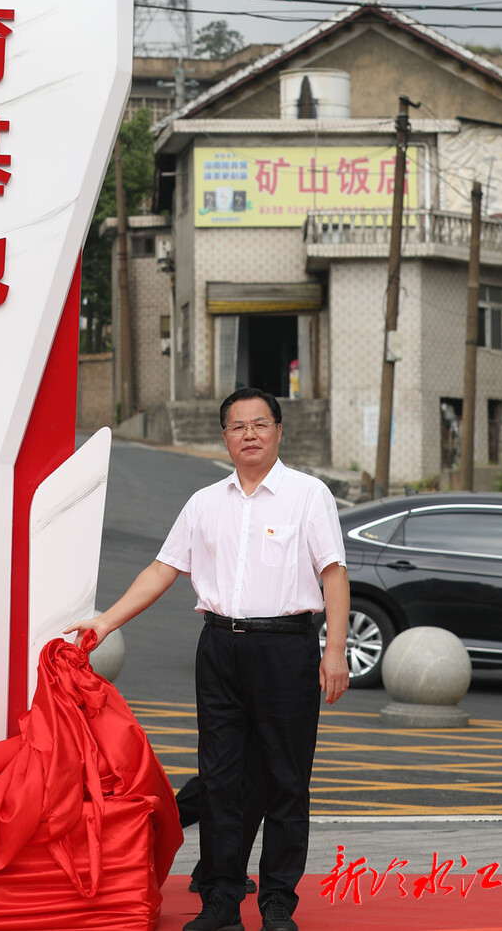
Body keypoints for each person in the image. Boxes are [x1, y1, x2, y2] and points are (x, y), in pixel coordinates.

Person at [68, 389, 349, 931]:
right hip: (219, 648)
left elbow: (333, 574)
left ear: (278, 431)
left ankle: (277, 904)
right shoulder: (204, 503)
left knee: (286, 780)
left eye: (260, 424)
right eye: (237, 426)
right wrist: (105, 622)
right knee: (220, 779)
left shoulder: (308, 496)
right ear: (224, 437)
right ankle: (220, 901)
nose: (249, 434)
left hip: (286, 648)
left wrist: (333, 651)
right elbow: (161, 570)